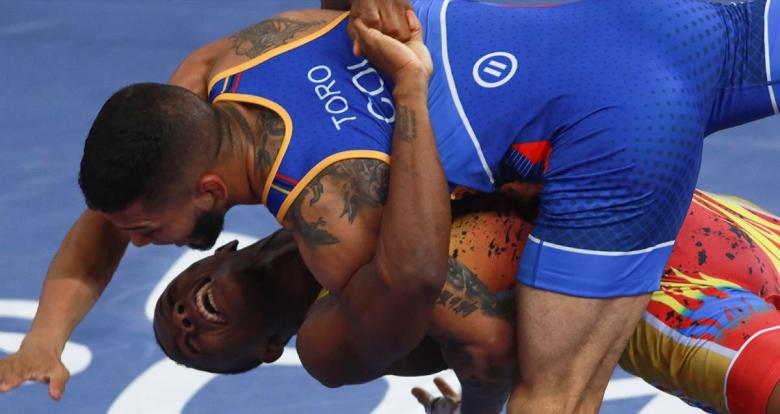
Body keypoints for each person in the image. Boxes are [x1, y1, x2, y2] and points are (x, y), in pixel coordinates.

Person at [3, 0, 779, 411]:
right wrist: (48, 332)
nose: (141, 246)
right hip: (627, 84)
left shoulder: (334, 225)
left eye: (147, 232)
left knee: (556, 396)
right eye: (192, 344)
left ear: (208, 197)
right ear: (263, 354)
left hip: (616, 106)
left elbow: (435, 298)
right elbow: (473, 339)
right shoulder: (231, 65)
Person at [154, 189, 780, 414]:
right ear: (266, 352)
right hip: (648, 292)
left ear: (211, 252)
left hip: (699, 212)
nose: (183, 320)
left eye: (170, 308)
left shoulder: (297, 180)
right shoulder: (350, 331)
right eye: (190, 343)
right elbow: (494, 351)